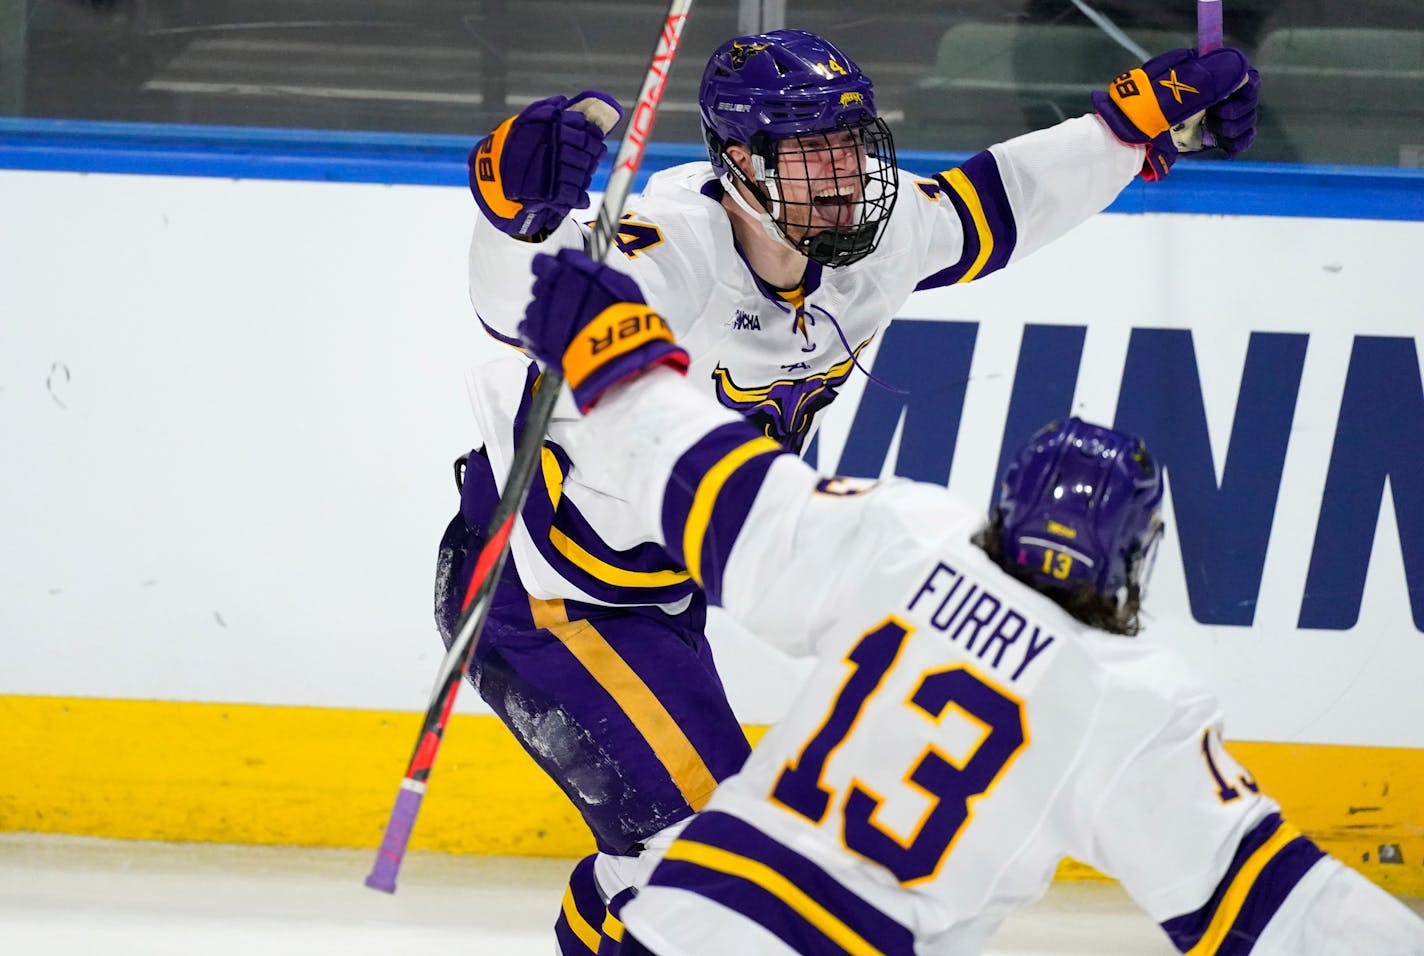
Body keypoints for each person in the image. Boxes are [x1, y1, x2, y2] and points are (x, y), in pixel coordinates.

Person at [438, 28, 1263, 954]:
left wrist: (1132, 128)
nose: (843, 171)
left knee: (701, 870)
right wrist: (516, 217)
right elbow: (539, 310)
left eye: (851, 142)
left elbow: (1000, 203)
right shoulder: (675, 246)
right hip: (540, 595)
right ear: (741, 164)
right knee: (710, 867)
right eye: (810, 150)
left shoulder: (872, 239)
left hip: (653, 595)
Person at [513, 246, 1424, 956]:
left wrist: (617, 361)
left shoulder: (906, 540)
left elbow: (718, 489)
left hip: (686, 924)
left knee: (621, 884)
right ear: (1133, 558)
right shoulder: (1131, 696)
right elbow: (1281, 909)